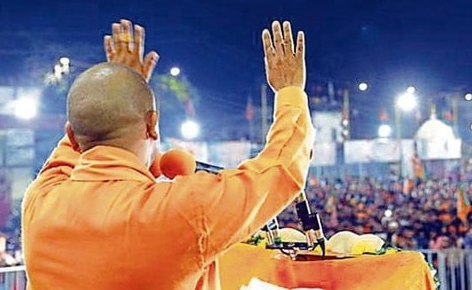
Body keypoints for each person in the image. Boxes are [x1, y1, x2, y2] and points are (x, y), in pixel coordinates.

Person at [21, 19, 314, 289]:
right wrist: (289, 91)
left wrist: (122, 86)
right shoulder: (181, 210)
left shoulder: (39, 200)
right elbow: (282, 167)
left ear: (71, 134)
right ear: (152, 124)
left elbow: (82, 133)